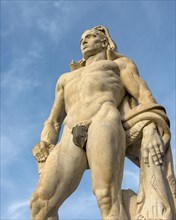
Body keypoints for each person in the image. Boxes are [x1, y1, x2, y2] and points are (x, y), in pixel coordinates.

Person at [30, 26, 172, 220]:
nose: (84, 41)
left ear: (104, 42)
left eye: (89, 37)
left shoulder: (119, 65)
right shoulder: (65, 79)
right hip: (70, 132)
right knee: (40, 204)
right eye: (81, 40)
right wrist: (44, 144)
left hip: (103, 119)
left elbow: (145, 98)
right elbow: (54, 122)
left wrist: (150, 131)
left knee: (106, 197)